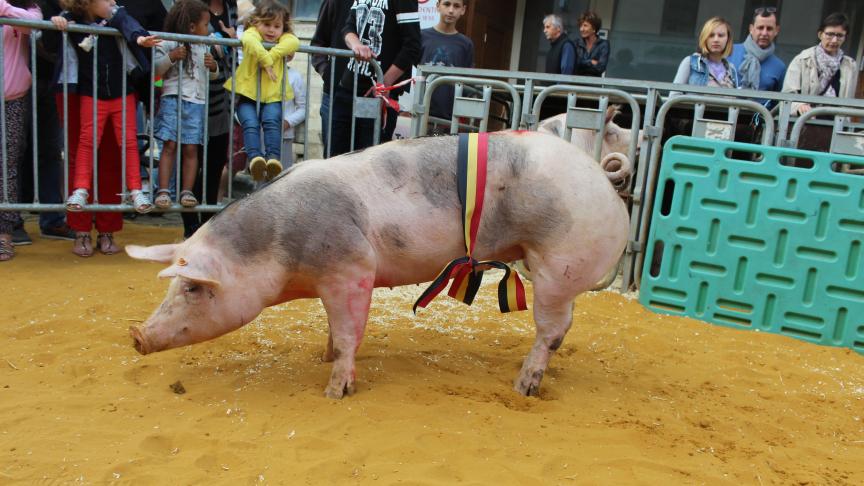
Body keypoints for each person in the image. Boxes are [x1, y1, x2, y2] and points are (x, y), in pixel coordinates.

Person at [53, 0, 160, 256]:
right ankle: (80, 230)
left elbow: (131, 23)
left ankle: (107, 229)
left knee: (112, 158)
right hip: (77, 89)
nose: (112, 1)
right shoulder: (70, 16)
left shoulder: (117, 13)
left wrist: (140, 38)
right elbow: (45, 39)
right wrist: (55, 25)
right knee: (80, 151)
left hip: (118, 93)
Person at [331, 0, 421, 157]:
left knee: (370, 165)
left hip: (378, 96)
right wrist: (356, 44)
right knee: (335, 159)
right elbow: (348, 27)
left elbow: (413, 47)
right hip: (347, 88)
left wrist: (384, 83)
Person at [152, 0, 219, 210]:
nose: (208, 29)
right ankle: (163, 190)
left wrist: (213, 66)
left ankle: (186, 191)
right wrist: (171, 57)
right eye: (205, 24)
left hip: (197, 102)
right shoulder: (169, 42)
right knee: (169, 145)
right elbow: (156, 72)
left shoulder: (204, 45)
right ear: (191, 27)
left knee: (191, 147)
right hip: (173, 98)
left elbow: (213, 75)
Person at [224, 0, 299, 182]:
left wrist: (271, 56)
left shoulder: (284, 39)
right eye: (266, 25)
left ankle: (273, 159)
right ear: (256, 23)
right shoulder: (251, 34)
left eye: (276, 26)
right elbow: (249, 40)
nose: (271, 30)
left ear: (283, 28)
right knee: (250, 123)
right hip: (247, 93)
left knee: (272, 122)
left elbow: (293, 42)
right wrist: (267, 61)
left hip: (272, 96)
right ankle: (255, 158)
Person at [179, 0, 236, 239]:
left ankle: (207, 225)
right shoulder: (191, 8)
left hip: (221, 95)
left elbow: (232, 51)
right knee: (192, 158)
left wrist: (230, 41)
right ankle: (190, 223)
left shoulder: (231, 8)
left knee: (215, 162)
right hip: (193, 97)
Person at [0, 0, 42, 262]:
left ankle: (4, 233)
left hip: (13, 98)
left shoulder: (30, 8)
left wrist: (4, 9)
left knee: (7, 166)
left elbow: (34, 24)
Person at [783, 12, 858, 116]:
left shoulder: (850, 65)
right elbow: (788, 94)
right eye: (830, 34)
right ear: (820, 34)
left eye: (840, 35)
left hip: (835, 123)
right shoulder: (803, 59)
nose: (834, 40)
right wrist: (799, 106)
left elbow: (848, 103)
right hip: (805, 120)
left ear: (845, 37)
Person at [420, 0, 474, 124]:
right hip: (422, 112)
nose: (451, 10)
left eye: (456, 6)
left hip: (450, 118)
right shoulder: (422, 36)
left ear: (463, 10)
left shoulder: (466, 44)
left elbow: (467, 80)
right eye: (447, 4)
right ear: (438, 6)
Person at [310, 0, 352, 156]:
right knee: (334, 159)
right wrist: (326, 73)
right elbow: (318, 43)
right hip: (334, 94)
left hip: (370, 95)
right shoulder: (334, 2)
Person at [729, 7, 785, 95]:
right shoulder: (729, 51)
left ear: (776, 31)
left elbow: (777, 103)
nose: (764, 33)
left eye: (769, 29)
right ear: (751, 29)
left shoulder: (779, 67)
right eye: (760, 28)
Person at [673, 16, 739, 88]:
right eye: (711, 35)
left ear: (728, 40)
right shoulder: (690, 62)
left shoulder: (731, 69)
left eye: (721, 35)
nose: (716, 39)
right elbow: (674, 96)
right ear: (704, 38)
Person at [281, 65, 306, 169]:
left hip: (284, 136)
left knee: (282, 175)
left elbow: (303, 109)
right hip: (261, 134)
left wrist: (288, 122)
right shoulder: (260, 71)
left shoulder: (295, 76)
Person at [574, 10, 608, 76]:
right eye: (580, 26)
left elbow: (601, 68)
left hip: (593, 84)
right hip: (576, 83)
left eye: (585, 25)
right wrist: (591, 62)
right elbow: (575, 64)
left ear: (594, 28)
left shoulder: (603, 44)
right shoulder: (576, 43)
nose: (581, 29)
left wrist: (582, 63)